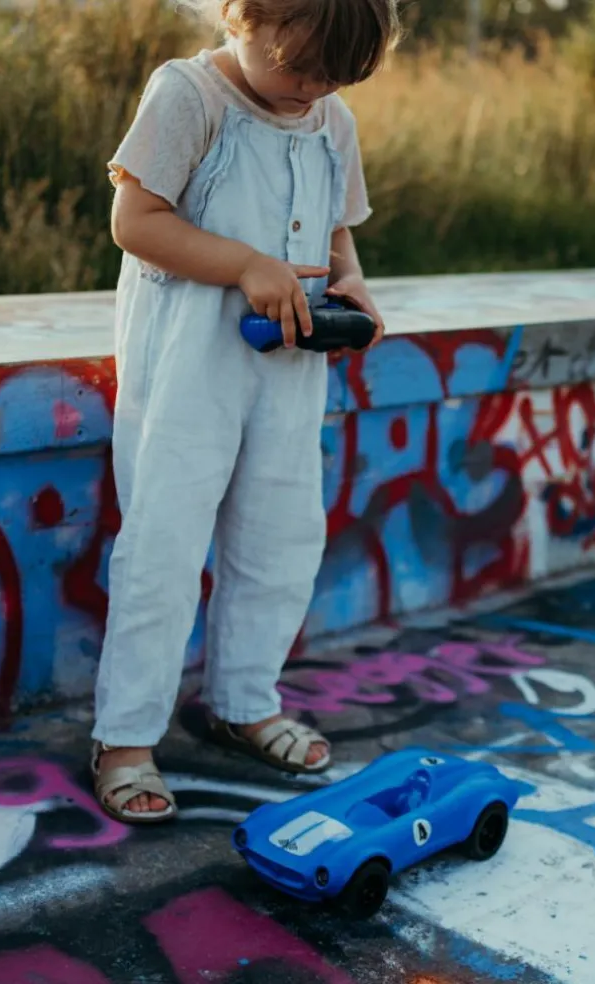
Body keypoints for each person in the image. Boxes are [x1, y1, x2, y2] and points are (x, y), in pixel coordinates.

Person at [90, 0, 401, 823]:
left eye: (337, 76)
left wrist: (352, 283)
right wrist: (243, 266)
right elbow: (135, 221)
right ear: (243, 15)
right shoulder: (189, 96)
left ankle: (243, 700)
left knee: (280, 540)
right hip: (191, 369)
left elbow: (337, 230)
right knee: (163, 546)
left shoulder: (330, 117)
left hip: (291, 371)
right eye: (300, 68)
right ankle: (124, 737)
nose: (314, 91)